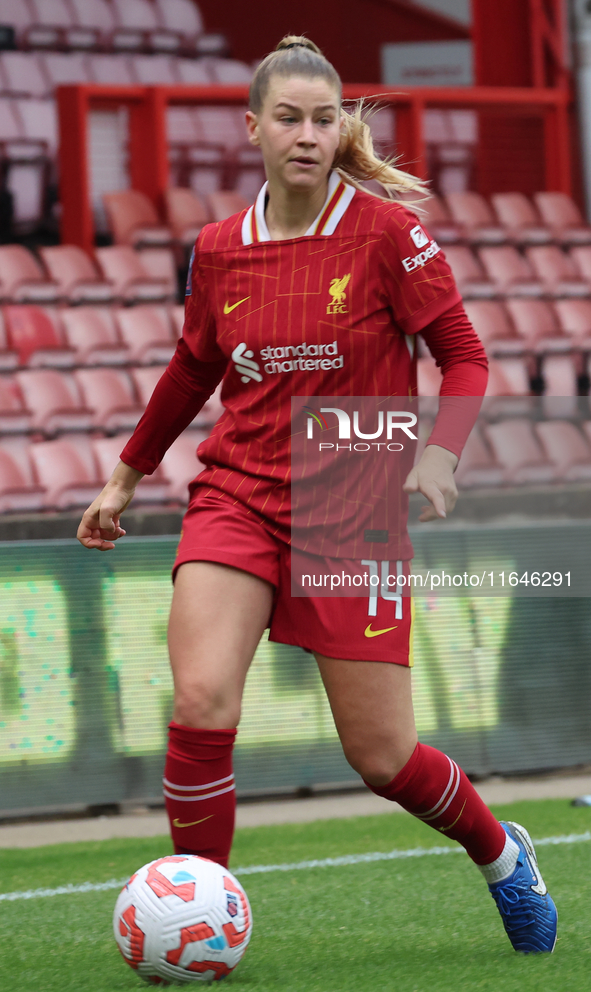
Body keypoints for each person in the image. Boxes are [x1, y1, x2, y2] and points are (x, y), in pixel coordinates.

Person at [77, 36, 557, 955]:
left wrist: (440, 455)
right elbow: (192, 367)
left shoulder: (386, 233)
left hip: (351, 517)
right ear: (252, 127)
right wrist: (125, 474)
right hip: (238, 497)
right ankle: (199, 929)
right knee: (202, 700)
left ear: (342, 129)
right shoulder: (218, 250)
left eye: (324, 118)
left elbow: (463, 354)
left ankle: (502, 857)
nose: (307, 134)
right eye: (288, 118)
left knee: (382, 760)